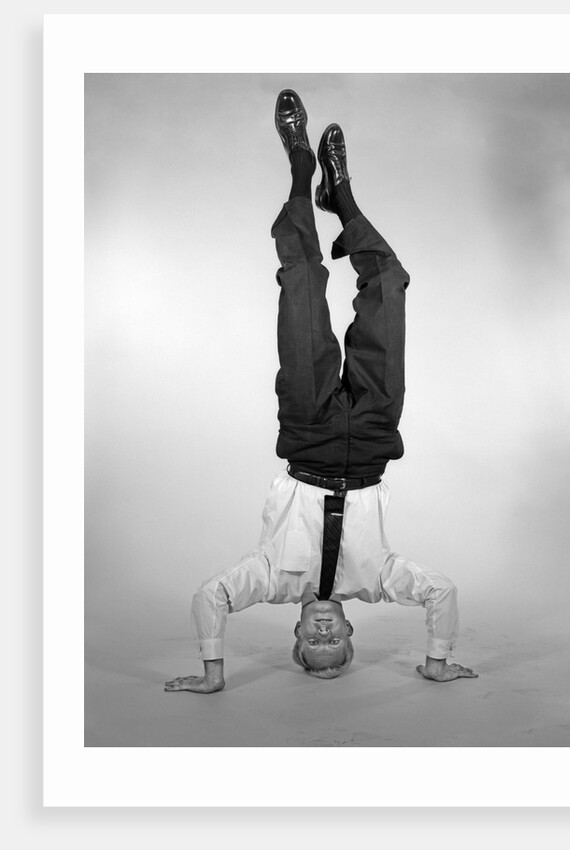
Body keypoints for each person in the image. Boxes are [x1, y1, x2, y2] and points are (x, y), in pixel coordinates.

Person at [165, 90, 477, 694]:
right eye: (336, 646)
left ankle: (302, 169)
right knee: (387, 283)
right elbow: (442, 592)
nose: (325, 638)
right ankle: (343, 198)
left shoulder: (268, 580)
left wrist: (212, 674)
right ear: (353, 632)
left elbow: (211, 597)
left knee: (303, 283)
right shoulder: (381, 579)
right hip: (373, 440)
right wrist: (436, 663)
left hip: (308, 437)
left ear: (297, 634)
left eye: (314, 646)